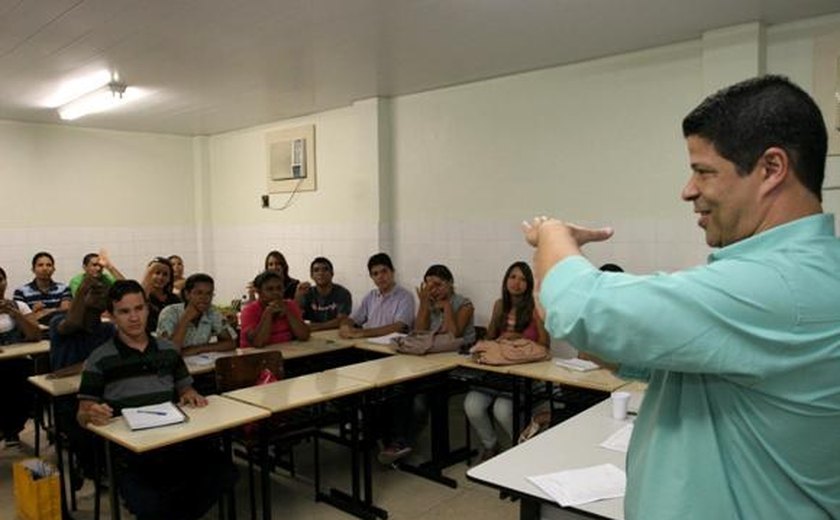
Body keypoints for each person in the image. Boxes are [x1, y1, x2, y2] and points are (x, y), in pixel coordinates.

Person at [523, 75, 840, 518]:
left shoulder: (783, 284)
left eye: (704, 171)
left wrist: (553, 236)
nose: (688, 190)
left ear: (771, 169)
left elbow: (581, 309)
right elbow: (655, 356)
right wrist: (561, 297)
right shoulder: (790, 274)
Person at [77, 280, 237, 520]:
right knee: (150, 503)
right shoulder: (99, 359)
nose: (134, 317)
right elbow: (82, 412)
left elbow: (186, 389)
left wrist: (190, 395)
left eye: (139, 308)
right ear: (111, 316)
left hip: (174, 440)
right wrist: (91, 414)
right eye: (124, 311)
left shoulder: (168, 350)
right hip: (133, 454)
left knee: (225, 472)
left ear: (147, 309)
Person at [377, 264, 476, 464]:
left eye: (438, 284)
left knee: (419, 396)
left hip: (457, 365)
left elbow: (453, 335)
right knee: (398, 387)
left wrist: (447, 306)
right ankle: (393, 439)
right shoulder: (428, 302)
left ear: (450, 284)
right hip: (428, 360)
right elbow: (419, 332)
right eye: (428, 285)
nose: (433, 289)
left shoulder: (464, 304)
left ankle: (403, 441)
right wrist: (423, 304)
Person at [463, 262, 548, 461]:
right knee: (471, 404)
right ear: (505, 280)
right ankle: (490, 444)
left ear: (528, 285)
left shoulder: (536, 307)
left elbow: (545, 344)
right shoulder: (500, 304)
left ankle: (521, 449)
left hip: (523, 372)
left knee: (502, 409)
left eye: (522, 279)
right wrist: (495, 323)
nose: (516, 283)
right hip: (499, 370)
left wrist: (519, 338)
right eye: (512, 277)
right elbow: (491, 337)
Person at [0, 266, 41, 447]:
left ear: (5, 282)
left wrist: (15, 315)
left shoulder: (19, 306)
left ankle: (12, 430)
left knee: (21, 383)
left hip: (18, 362)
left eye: (0, 279)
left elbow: (35, 335)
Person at [157, 273, 237, 355]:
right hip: (172, 365)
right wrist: (185, 319)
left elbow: (231, 343)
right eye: (199, 293)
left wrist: (198, 349)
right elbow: (167, 352)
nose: (204, 298)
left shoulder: (211, 311)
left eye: (209, 293)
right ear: (187, 294)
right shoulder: (169, 313)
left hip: (200, 365)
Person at [339, 253, 415, 339]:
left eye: (384, 271)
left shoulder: (405, 297)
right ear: (371, 277)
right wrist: (345, 326)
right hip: (368, 344)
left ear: (393, 272)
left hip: (391, 346)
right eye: (375, 274)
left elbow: (399, 327)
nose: (380, 277)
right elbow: (354, 319)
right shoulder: (370, 297)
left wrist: (363, 333)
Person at [240, 270, 310, 348]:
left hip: (289, 355)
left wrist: (287, 312)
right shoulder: (249, 311)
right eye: (270, 289)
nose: (276, 292)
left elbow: (304, 336)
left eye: (279, 288)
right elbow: (258, 342)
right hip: (259, 357)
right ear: (259, 292)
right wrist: (268, 313)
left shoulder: (290, 305)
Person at [294, 256, 353, 331]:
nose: (321, 273)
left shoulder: (342, 293)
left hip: (335, 332)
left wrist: (315, 327)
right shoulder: (307, 293)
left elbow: (341, 320)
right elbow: (296, 319)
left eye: (325, 269)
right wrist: (298, 296)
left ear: (332, 273)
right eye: (316, 270)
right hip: (312, 335)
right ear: (311, 276)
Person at [13, 251, 71, 326]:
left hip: (58, 330)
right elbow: (19, 319)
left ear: (54, 269)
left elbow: (66, 311)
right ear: (33, 269)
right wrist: (33, 312)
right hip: (34, 332)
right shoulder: (20, 292)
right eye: (40, 265)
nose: (45, 268)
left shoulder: (64, 289)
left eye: (49, 265)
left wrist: (43, 313)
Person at [141, 257, 180, 333]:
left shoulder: (174, 299)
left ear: (169, 278)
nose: (160, 277)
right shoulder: (144, 297)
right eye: (157, 273)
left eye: (165, 274)